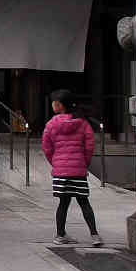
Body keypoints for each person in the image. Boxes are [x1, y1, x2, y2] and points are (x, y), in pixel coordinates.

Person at [43, 89, 103, 247]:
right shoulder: (82, 123)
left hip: (61, 171)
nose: (52, 104)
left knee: (63, 203)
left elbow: (47, 148)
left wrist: (56, 163)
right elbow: (89, 146)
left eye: (55, 102)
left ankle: (60, 235)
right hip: (78, 169)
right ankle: (94, 235)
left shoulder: (51, 124)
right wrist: (84, 163)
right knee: (84, 202)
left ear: (60, 105)